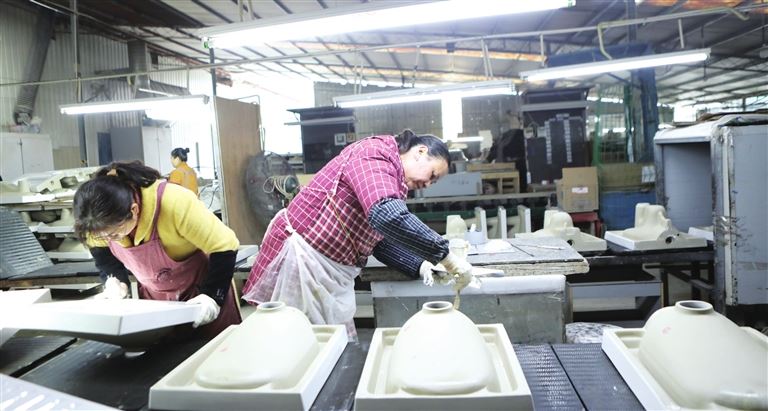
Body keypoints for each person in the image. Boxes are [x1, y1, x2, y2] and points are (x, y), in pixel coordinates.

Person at [243, 130, 476, 336]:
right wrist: (446, 256)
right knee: (293, 339)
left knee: (325, 342)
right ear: (420, 152)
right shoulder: (375, 154)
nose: (428, 184)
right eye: (432, 175)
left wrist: (421, 265)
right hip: (299, 257)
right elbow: (386, 214)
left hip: (328, 271)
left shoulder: (393, 181)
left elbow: (377, 241)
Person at [73, 161, 241, 338]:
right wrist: (114, 280)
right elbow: (102, 254)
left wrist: (212, 295)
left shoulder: (174, 202)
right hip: (156, 301)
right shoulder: (92, 220)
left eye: (114, 234)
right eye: (102, 236)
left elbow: (225, 245)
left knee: (215, 347)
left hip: (200, 292)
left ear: (134, 210)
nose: (108, 240)